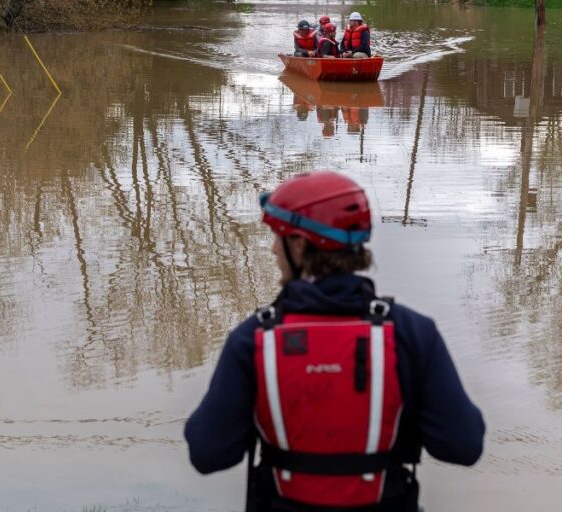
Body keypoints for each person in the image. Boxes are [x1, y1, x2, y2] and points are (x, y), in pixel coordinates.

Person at [184, 171, 485, 511]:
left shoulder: (252, 339)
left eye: (277, 237)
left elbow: (207, 453)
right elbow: (464, 445)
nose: (272, 249)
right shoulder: (412, 334)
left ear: (299, 243)